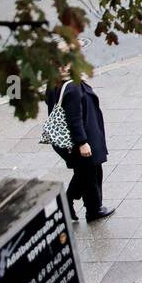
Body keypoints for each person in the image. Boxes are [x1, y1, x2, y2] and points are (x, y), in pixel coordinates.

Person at [45, 61, 115, 222]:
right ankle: (93, 210)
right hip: (80, 139)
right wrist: (83, 142)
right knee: (91, 174)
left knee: (82, 173)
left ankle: (66, 203)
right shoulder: (73, 87)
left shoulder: (54, 84)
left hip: (66, 141)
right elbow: (74, 119)